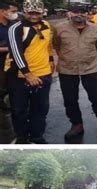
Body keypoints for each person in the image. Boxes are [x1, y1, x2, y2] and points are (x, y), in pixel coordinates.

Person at [53, 5, 97, 140]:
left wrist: (88, 58)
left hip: (89, 68)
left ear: (88, 14)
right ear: (70, 13)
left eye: (83, 12)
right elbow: (56, 45)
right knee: (70, 99)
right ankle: (76, 125)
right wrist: (68, 57)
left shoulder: (96, 28)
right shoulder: (59, 28)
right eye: (76, 12)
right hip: (66, 68)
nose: (79, 14)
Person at [4, 0, 53, 144]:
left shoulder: (46, 25)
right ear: (24, 12)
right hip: (19, 76)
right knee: (19, 110)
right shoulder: (16, 28)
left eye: (37, 13)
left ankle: (37, 136)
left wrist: (51, 60)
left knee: (40, 109)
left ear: (42, 12)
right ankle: (22, 138)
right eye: (30, 12)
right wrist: (27, 74)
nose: (33, 16)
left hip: (43, 73)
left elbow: (47, 46)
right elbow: (15, 52)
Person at [0, 1, 18, 110]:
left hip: (12, 63)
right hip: (1, 64)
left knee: (11, 87)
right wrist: (10, 49)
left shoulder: (14, 24)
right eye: (13, 11)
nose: (15, 14)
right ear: (3, 11)